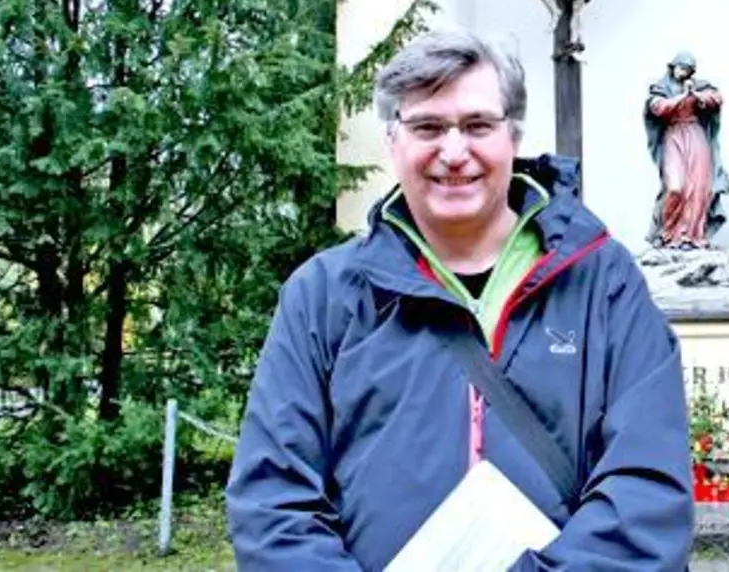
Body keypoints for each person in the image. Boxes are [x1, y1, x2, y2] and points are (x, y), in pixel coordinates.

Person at [226, 28, 695, 570]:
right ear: (393, 139)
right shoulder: (323, 296)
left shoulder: (604, 283)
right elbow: (274, 505)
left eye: (477, 125)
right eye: (427, 126)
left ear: (512, 136)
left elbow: (646, 495)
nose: (453, 153)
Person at [643, 51, 729, 250]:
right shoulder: (661, 88)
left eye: (688, 69)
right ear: (672, 67)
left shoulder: (698, 86)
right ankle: (669, 234)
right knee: (676, 186)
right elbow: (659, 108)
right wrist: (683, 96)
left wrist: (697, 95)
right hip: (674, 136)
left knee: (699, 186)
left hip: (696, 136)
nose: (683, 72)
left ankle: (692, 236)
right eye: (681, 67)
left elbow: (716, 99)